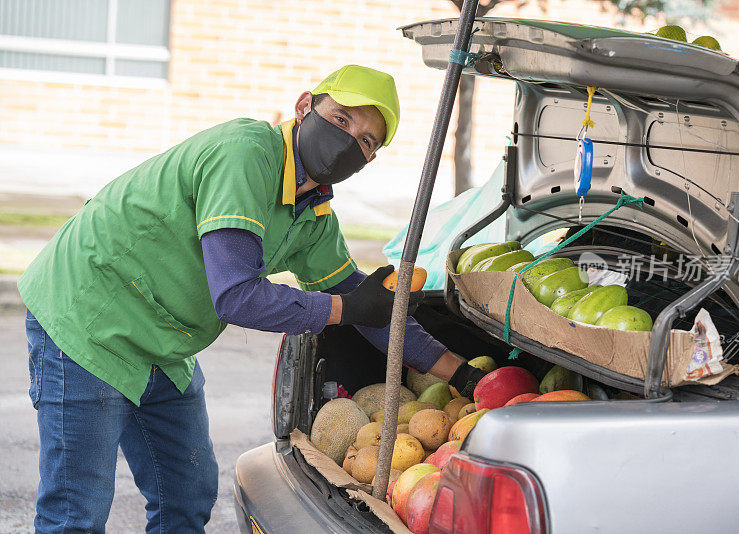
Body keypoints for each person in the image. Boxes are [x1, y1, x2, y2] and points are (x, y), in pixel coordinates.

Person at [18, 64, 487, 533]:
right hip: (89, 321)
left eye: (366, 141)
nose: (349, 140)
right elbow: (237, 296)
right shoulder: (245, 155)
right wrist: (343, 309)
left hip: (161, 342)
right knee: (75, 515)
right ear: (305, 106)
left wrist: (464, 376)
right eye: (342, 119)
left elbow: (372, 311)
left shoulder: (313, 214)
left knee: (186, 496)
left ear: (371, 159)